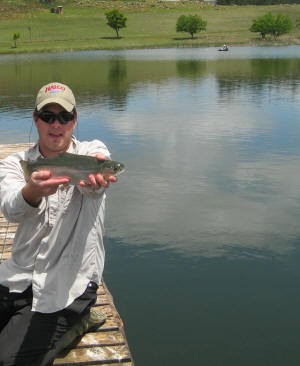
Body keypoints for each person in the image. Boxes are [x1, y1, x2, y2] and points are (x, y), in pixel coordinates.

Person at [0, 82, 117, 366]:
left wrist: (97, 180)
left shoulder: (93, 152)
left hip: (68, 286)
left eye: (64, 117)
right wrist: (32, 191)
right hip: (19, 276)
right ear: (35, 120)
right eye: (48, 116)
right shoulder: (17, 163)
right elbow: (11, 209)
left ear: (74, 120)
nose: (57, 124)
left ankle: (77, 323)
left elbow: (94, 189)